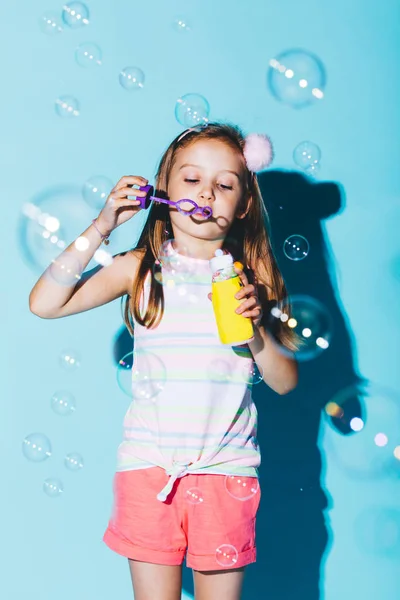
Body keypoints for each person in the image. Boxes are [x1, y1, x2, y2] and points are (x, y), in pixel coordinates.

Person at [29, 122, 298, 600]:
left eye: (225, 184)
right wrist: (104, 224)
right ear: (165, 190)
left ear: (244, 207)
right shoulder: (140, 270)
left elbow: (285, 382)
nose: (207, 194)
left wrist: (254, 328)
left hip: (226, 472)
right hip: (149, 471)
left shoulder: (251, 283)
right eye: (192, 180)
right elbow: (46, 303)